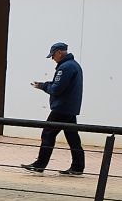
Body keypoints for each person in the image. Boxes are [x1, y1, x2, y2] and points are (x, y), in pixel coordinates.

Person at [22, 42, 85, 175]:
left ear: (59, 53)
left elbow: (56, 89)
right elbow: (60, 85)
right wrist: (44, 84)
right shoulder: (74, 65)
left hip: (61, 108)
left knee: (47, 134)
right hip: (70, 108)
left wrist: (43, 87)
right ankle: (78, 167)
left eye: (53, 55)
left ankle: (40, 165)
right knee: (72, 137)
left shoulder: (65, 67)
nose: (52, 58)